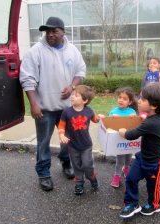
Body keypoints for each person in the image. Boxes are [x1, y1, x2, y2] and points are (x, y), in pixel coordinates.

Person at [19, 17, 86, 191]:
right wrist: (34, 104)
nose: (50, 34)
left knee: (68, 140)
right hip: (45, 109)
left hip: (67, 109)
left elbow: (80, 71)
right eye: (47, 31)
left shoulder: (72, 50)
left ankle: (66, 162)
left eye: (54, 31)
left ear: (63, 32)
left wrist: (72, 87)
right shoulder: (36, 51)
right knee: (43, 142)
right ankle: (44, 174)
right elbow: (27, 79)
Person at [118, 83, 160, 219]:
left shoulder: (151, 122)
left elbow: (131, 135)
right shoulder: (157, 118)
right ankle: (132, 203)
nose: (139, 101)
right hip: (142, 157)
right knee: (131, 178)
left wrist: (123, 132)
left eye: (142, 99)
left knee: (153, 185)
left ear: (153, 105)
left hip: (155, 162)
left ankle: (155, 205)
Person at [58, 85, 100, 195]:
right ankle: (79, 183)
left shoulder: (89, 111)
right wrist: (62, 135)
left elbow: (95, 120)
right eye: (72, 95)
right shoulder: (66, 112)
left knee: (87, 165)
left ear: (85, 100)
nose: (72, 97)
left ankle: (91, 177)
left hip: (86, 145)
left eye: (76, 96)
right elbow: (61, 126)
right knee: (76, 165)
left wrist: (99, 117)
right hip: (73, 145)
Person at [109, 87, 138, 188]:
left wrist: (134, 117)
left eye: (124, 99)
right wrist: (113, 118)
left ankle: (126, 169)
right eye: (120, 97)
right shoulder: (114, 112)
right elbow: (109, 125)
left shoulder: (132, 112)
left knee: (129, 157)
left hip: (128, 140)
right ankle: (117, 177)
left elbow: (136, 123)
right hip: (118, 140)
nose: (121, 100)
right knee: (119, 160)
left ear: (129, 102)